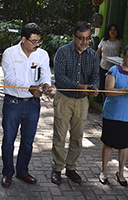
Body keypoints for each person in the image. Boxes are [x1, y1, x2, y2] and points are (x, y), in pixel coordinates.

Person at [1, 23, 52, 187]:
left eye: (38, 41)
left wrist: (46, 85)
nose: (37, 45)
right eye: (33, 41)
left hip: (33, 104)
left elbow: (45, 74)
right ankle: (7, 172)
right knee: (9, 140)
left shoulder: (42, 54)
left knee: (28, 141)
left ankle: (22, 171)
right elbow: (9, 79)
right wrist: (28, 88)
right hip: (13, 102)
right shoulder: (9, 53)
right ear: (23, 39)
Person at [51, 21, 100, 185]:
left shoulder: (93, 55)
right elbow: (59, 77)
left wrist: (94, 87)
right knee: (60, 135)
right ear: (74, 37)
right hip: (64, 98)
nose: (84, 42)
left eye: (87, 39)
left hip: (82, 101)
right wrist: (78, 86)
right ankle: (57, 169)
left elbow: (95, 76)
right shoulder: (63, 52)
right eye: (81, 38)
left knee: (77, 137)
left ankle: (71, 168)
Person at [99, 44, 128, 187]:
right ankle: (104, 171)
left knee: (124, 146)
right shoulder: (114, 70)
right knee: (108, 143)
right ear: (123, 56)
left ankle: (120, 173)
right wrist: (124, 90)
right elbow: (108, 91)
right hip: (112, 114)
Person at [97, 24, 122, 101]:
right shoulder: (104, 41)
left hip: (114, 68)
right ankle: (104, 100)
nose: (112, 32)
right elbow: (98, 52)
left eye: (114, 30)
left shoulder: (120, 42)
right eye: (111, 30)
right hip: (104, 65)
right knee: (103, 85)